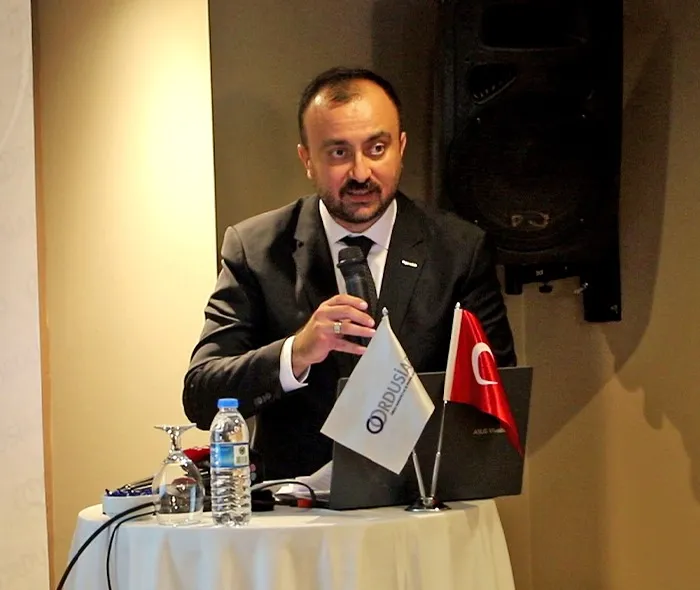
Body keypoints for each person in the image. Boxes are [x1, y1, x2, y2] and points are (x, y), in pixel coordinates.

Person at [183, 66, 516, 480]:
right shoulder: (256, 250)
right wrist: (296, 352)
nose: (360, 173)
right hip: (296, 505)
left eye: (377, 148)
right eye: (339, 153)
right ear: (307, 159)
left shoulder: (459, 249)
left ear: (401, 148)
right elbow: (201, 394)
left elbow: (497, 392)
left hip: (421, 499)